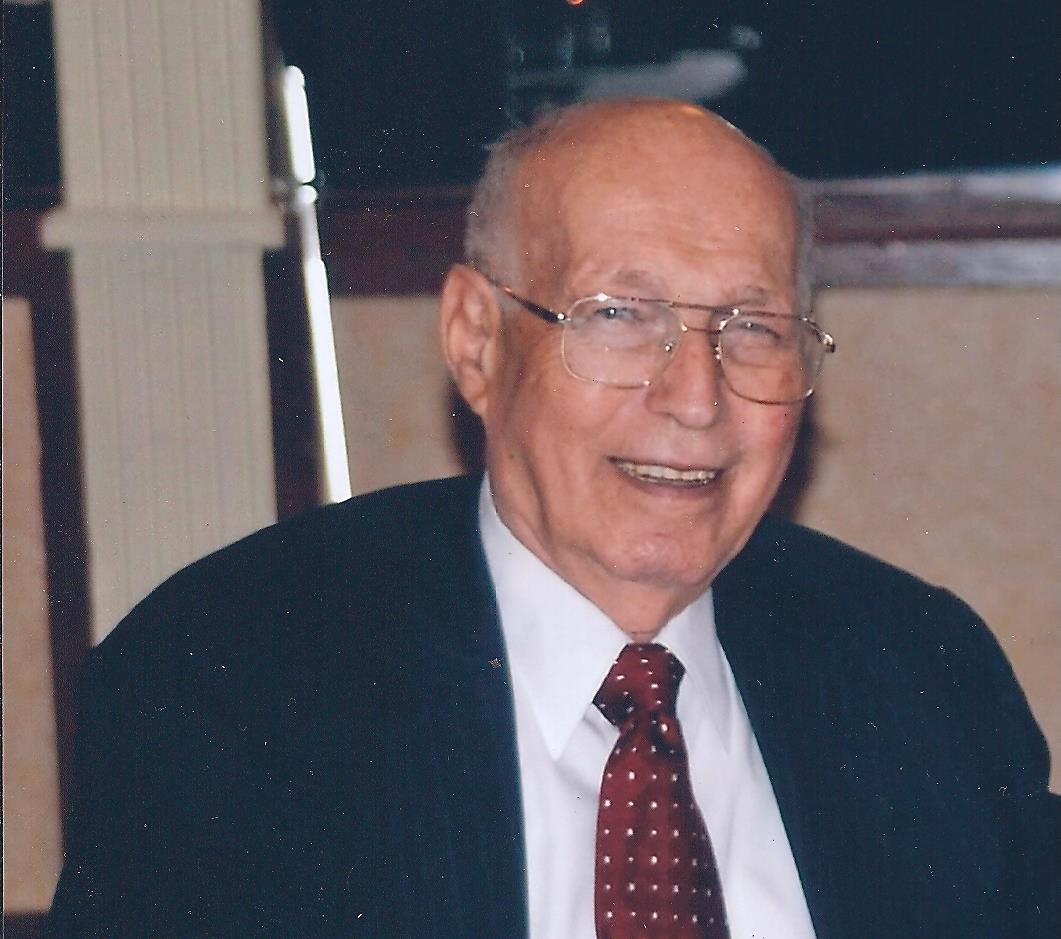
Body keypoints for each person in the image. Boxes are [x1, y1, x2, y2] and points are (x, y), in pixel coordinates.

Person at [48, 99, 1057, 939]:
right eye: (619, 316)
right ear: (476, 341)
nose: (694, 399)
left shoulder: (917, 677)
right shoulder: (239, 682)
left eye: (750, 328)